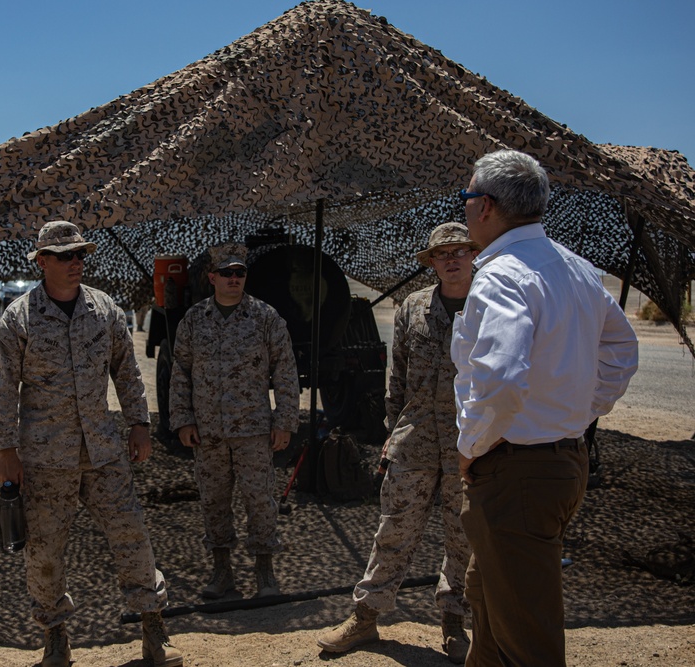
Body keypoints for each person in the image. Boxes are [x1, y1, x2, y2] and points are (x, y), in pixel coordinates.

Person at [452, 149, 639, 666]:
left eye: (467, 199)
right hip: (558, 461)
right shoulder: (577, 269)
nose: (465, 209)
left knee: (527, 639)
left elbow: (500, 377)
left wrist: (471, 447)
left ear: (485, 205)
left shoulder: (502, 274)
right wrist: (577, 410)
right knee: (490, 610)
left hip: (515, 470)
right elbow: (621, 353)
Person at [0, 220, 182, 667]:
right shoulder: (18, 318)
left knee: (132, 535)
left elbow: (126, 370)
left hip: (103, 451)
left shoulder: (104, 309)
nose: (76, 263)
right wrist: (5, 451)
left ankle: (155, 630)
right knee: (45, 550)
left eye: (81, 255)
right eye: (65, 256)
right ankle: (55, 637)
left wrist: (139, 423)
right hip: (45, 457)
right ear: (41, 262)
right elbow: (2, 389)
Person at [317, 222, 480, 662]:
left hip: (472, 442)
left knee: (463, 537)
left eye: (459, 251)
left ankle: (453, 620)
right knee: (394, 530)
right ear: (432, 263)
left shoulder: (492, 303)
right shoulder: (413, 306)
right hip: (416, 440)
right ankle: (365, 618)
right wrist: (396, 430)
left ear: (472, 254)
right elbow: (398, 376)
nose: (451, 259)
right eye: (442, 254)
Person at [169, 243, 299, 599]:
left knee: (259, 500)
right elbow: (180, 372)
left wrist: (284, 421)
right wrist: (183, 420)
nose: (234, 278)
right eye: (226, 273)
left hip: (253, 430)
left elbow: (286, 371)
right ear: (211, 278)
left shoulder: (265, 317)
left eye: (239, 272)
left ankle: (265, 575)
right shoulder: (194, 320)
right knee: (213, 500)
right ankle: (222, 572)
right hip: (208, 431)